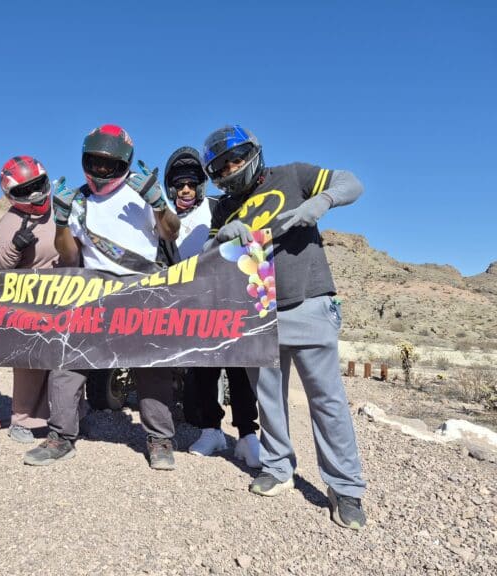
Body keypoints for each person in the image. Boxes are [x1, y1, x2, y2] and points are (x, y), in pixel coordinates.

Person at [201, 125, 367, 529]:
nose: (231, 167)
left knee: (326, 399)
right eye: (221, 165)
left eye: (236, 157)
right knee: (269, 399)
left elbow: (353, 182)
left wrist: (323, 200)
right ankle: (277, 468)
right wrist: (221, 236)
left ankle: (345, 487)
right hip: (256, 311)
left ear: (254, 152)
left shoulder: (292, 175)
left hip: (308, 301)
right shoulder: (222, 207)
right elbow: (208, 257)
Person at [23, 124, 182, 470]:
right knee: (67, 360)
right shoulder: (79, 199)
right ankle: (61, 437)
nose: (100, 171)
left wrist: (158, 203)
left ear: (124, 163)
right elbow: (68, 257)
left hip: (140, 289)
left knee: (150, 366)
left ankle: (159, 440)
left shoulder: (143, 193)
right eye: (94, 162)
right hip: (93, 291)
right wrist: (62, 221)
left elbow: (170, 233)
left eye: (109, 165)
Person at [162, 146, 261, 465]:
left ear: (202, 185)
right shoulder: (164, 218)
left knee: (238, 367)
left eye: (192, 183)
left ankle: (247, 434)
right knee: (203, 368)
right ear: (171, 188)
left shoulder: (221, 206)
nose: (186, 190)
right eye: (180, 185)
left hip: (229, 296)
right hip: (191, 301)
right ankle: (210, 430)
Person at [0, 156, 59, 444]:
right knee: (30, 361)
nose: (34, 194)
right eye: (24, 191)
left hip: (70, 294)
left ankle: (67, 416)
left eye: (37, 185)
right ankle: (23, 420)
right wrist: (15, 247)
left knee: (65, 360)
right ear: (11, 196)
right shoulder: (11, 220)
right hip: (30, 300)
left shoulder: (60, 209)